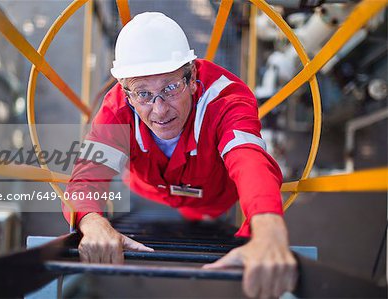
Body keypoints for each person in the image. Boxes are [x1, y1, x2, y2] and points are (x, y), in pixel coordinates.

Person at [63, 12, 297, 298]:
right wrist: (92, 221)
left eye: (170, 88)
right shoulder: (117, 110)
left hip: (213, 199)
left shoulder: (224, 100)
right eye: (143, 94)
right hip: (158, 190)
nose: (160, 110)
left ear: (193, 77)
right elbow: (87, 176)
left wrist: (268, 226)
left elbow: (248, 158)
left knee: (202, 217)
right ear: (126, 92)